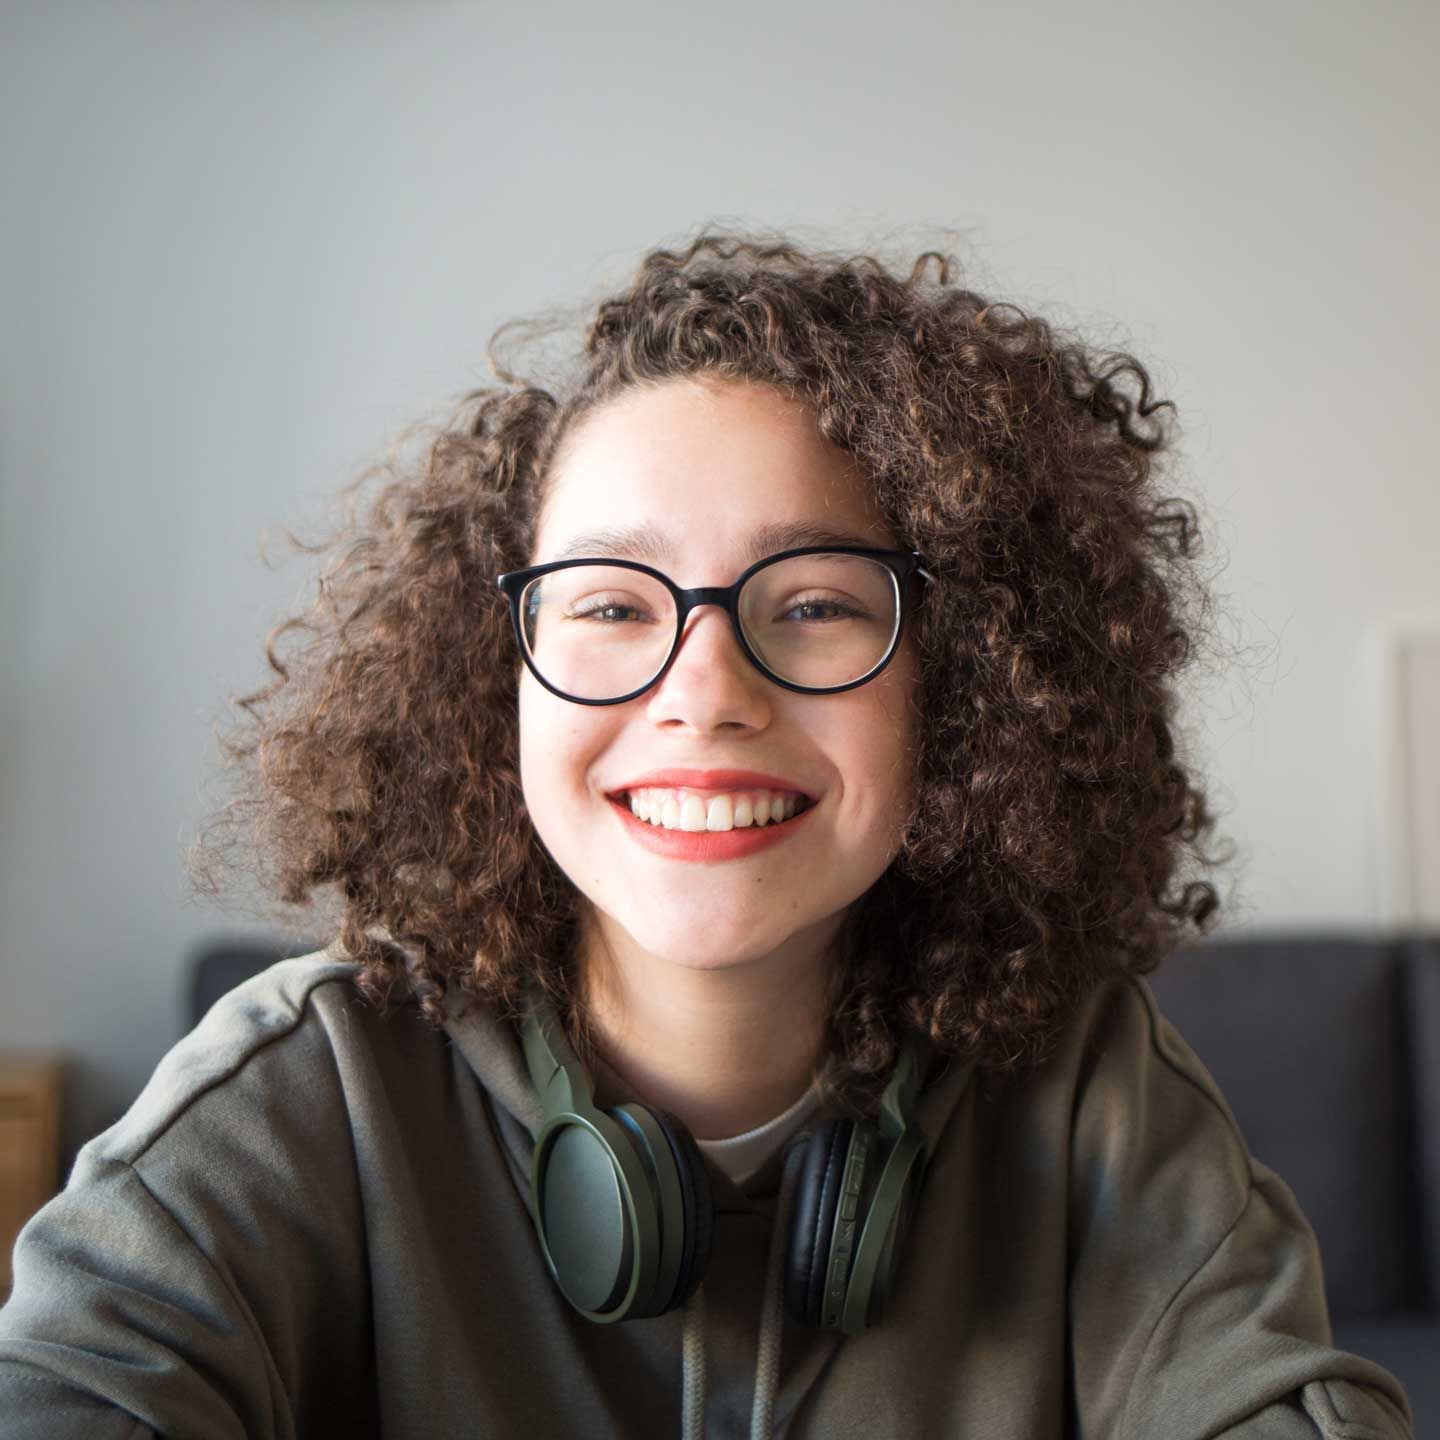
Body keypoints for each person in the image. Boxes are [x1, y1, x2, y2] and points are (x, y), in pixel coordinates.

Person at [0, 228, 1415, 1439]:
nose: (706, 695)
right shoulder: (310, 1090)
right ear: (490, 676)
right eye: (613, 603)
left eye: (814, 603)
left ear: (964, 688)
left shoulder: (1086, 1085)